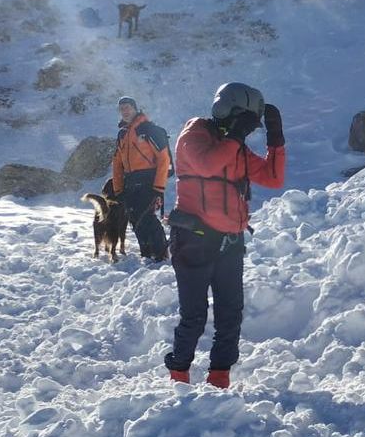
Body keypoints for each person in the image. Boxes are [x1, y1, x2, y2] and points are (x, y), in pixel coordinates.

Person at [163, 82, 285, 389]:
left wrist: (276, 138)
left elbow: (273, 178)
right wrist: (234, 137)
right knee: (194, 315)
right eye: (247, 120)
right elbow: (207, 165)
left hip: (230, 241)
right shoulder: (194, 134)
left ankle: (219, 378)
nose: (247, 128)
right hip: (194, 239)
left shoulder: (236, 147)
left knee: (231, 314)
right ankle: (178, 376)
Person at [110, 96, 173, 262]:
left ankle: (161, 254)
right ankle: (146, 253)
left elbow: (164, 159)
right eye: (122, 108)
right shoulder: (122, 134)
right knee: (134, 218)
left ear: (135, 109)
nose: (124, 111)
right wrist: (118, 190)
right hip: (130, 182)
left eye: (128, 107)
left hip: (149, 180)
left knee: (147, 217)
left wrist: (158, 188)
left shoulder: (147, 129)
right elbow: (117, 163)